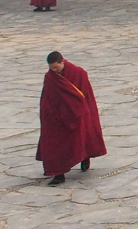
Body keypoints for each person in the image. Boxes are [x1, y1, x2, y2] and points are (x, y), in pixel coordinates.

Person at [38, 51, 107, 187]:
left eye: (56, 67)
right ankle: (58, 174)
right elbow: (47, 98)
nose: (54, 71)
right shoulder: (50, 78)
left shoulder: (78, 74)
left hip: (77, 114)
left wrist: (81, 112)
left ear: (62, 62)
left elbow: (85, 97)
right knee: (54, 143)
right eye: (51, 68)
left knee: (80, 139)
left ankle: (84, 156)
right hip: (57, 116)